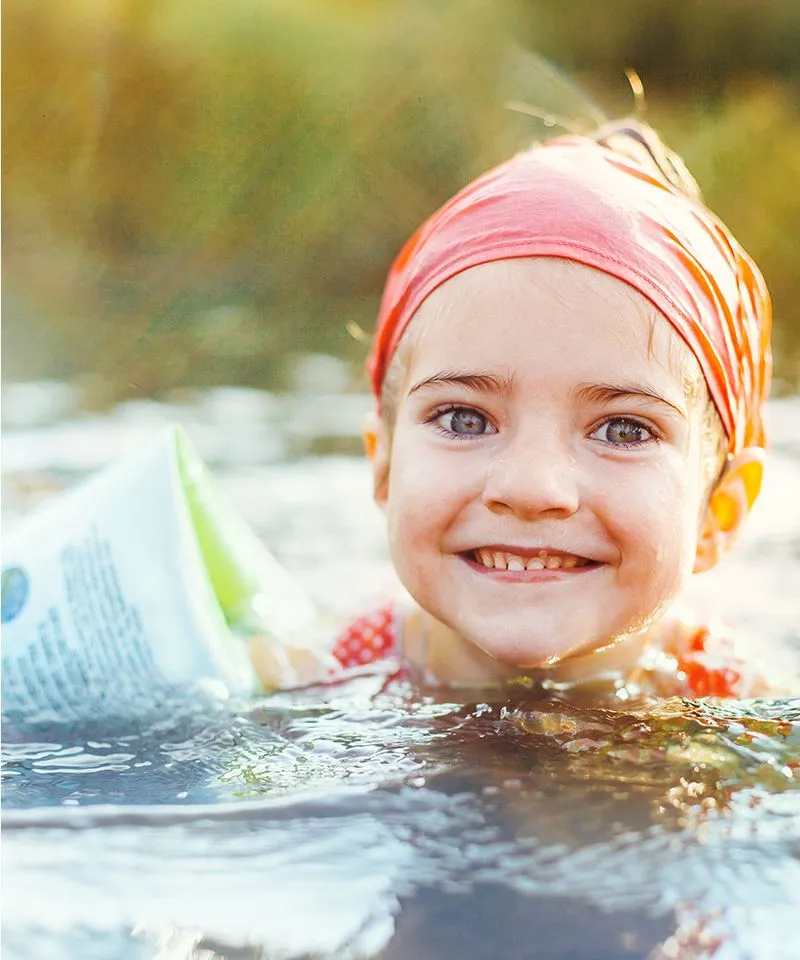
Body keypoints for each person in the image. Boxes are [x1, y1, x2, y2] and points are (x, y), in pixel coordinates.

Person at [251, 118, 782, 699]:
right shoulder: (312, 680)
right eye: (464, 419)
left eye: (624, 430)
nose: (531, 488)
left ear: (717, 515)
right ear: (383, 464)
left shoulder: (745, 704)